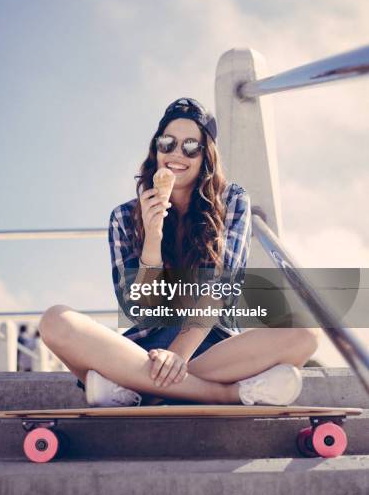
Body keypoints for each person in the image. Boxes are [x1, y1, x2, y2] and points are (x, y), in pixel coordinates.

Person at [39, 98, 319, 407]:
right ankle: (228, 394)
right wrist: (153, 236)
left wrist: (178, 356)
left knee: (305, 334)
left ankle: (137, 389)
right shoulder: (123, 217)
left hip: (216, 348)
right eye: (167, 143)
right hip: (145, 348)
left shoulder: (233, 201)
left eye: (190, 146)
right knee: (55, 321)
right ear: (155, 148)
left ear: (205, 157)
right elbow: (142, 310)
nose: (176, 154)